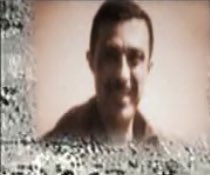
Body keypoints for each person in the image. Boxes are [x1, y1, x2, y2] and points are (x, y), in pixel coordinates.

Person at [41, 1, 161, 148]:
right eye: (110, 56)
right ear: (91, 62)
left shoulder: (161, 151)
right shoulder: (52, 150)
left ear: (148, 68)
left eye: (135, 58)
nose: (122, 75)